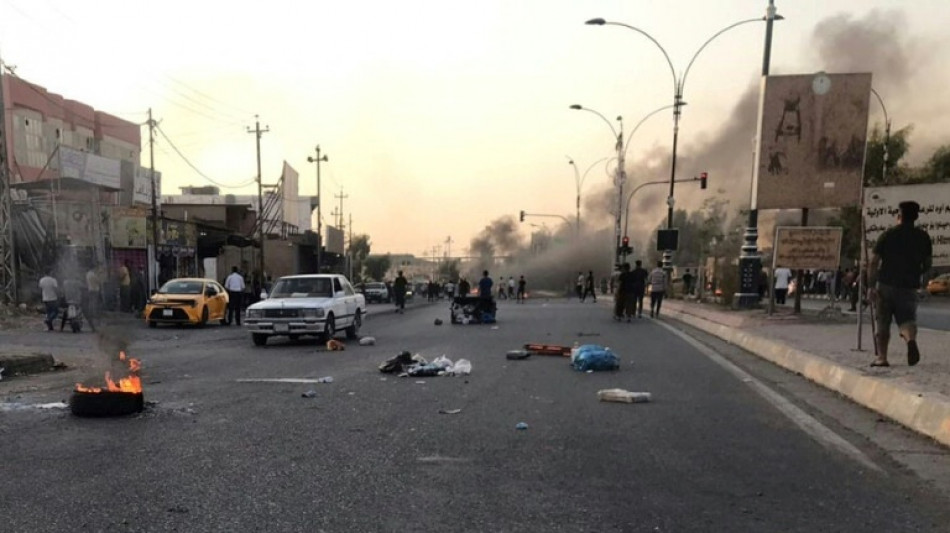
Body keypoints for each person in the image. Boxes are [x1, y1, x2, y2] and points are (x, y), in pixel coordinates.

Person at [869, 201, 932, 367]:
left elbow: (874, 261)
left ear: (899, 216)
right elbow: (927, 264)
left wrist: (870, 285)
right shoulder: (923, 237)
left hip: (886, 284)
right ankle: (910, 340)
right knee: (907, 320)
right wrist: (920, 279)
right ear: (916, 217)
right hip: (909, 285)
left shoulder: (888, 235)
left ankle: (882, 358)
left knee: (883, 321)